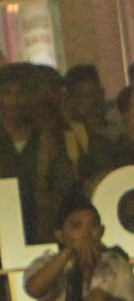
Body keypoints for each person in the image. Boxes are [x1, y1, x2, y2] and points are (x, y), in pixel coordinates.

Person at [0, 63, 79, 245]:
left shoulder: (47, 139)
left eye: (20, 93)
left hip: (42, 232)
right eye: (7, 93)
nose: (15, 100)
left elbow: (65, 185)